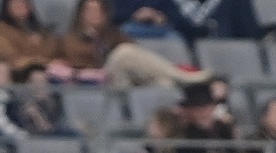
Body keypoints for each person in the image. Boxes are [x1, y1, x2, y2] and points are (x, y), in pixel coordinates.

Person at [57, 0, 208, 88]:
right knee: (123, 53)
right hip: (95, 82)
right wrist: (92, 41)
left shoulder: (112, 33)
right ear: (81, 14)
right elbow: (77, 62)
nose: (95, 15)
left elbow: (135, 49)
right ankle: (183, 76)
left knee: (164, 83)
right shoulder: (70, 39)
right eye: (90, 11)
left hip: (122, 79)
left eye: (98, 11)